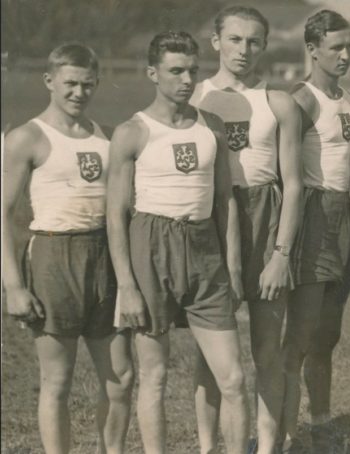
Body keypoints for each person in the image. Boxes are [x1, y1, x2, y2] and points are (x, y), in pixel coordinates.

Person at [106, 31, 249, 454]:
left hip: (204, 250)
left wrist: (233, 265)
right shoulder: (132, 131)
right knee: (155, 376)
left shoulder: (212, 126)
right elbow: (116, 214)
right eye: (175, 71)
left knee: (233, 378)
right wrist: (127, 285)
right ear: (153, 73)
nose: (186, 80)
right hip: (151, 247)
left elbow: (225, 200)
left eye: (192, 71)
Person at [1, 43, 133, 454]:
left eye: (88, 84)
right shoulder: (27, 137)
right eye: (70, 83)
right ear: (49, 81)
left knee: (122, 378)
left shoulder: (107, 136)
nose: (79, 92)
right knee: (58, 380)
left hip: (104, 255)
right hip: (53, 256)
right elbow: (2, 213)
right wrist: (13, 287)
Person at [189, 6, 303, 454]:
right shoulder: (195, 96)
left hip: (265, 217)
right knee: (210, 353)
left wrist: (281, 254)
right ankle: (208, 447)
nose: (244, 50)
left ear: (264, 46)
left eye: (254, 41)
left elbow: (293, 184)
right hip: (212, 220)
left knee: (267, 349)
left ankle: (267, 446)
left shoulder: (278, 102)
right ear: (216, 41)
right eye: (235, 39)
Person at [286, 10, 350, 451]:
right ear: (313, 50)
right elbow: (286, 171)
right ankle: (283, 431)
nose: (345, 55)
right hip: (314, 216)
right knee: (301, 332)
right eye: (336, 47)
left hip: (345, 217)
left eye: (349, 46)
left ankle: (320, 422)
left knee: (327, 333)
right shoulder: (302, 99)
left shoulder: (347, 98)